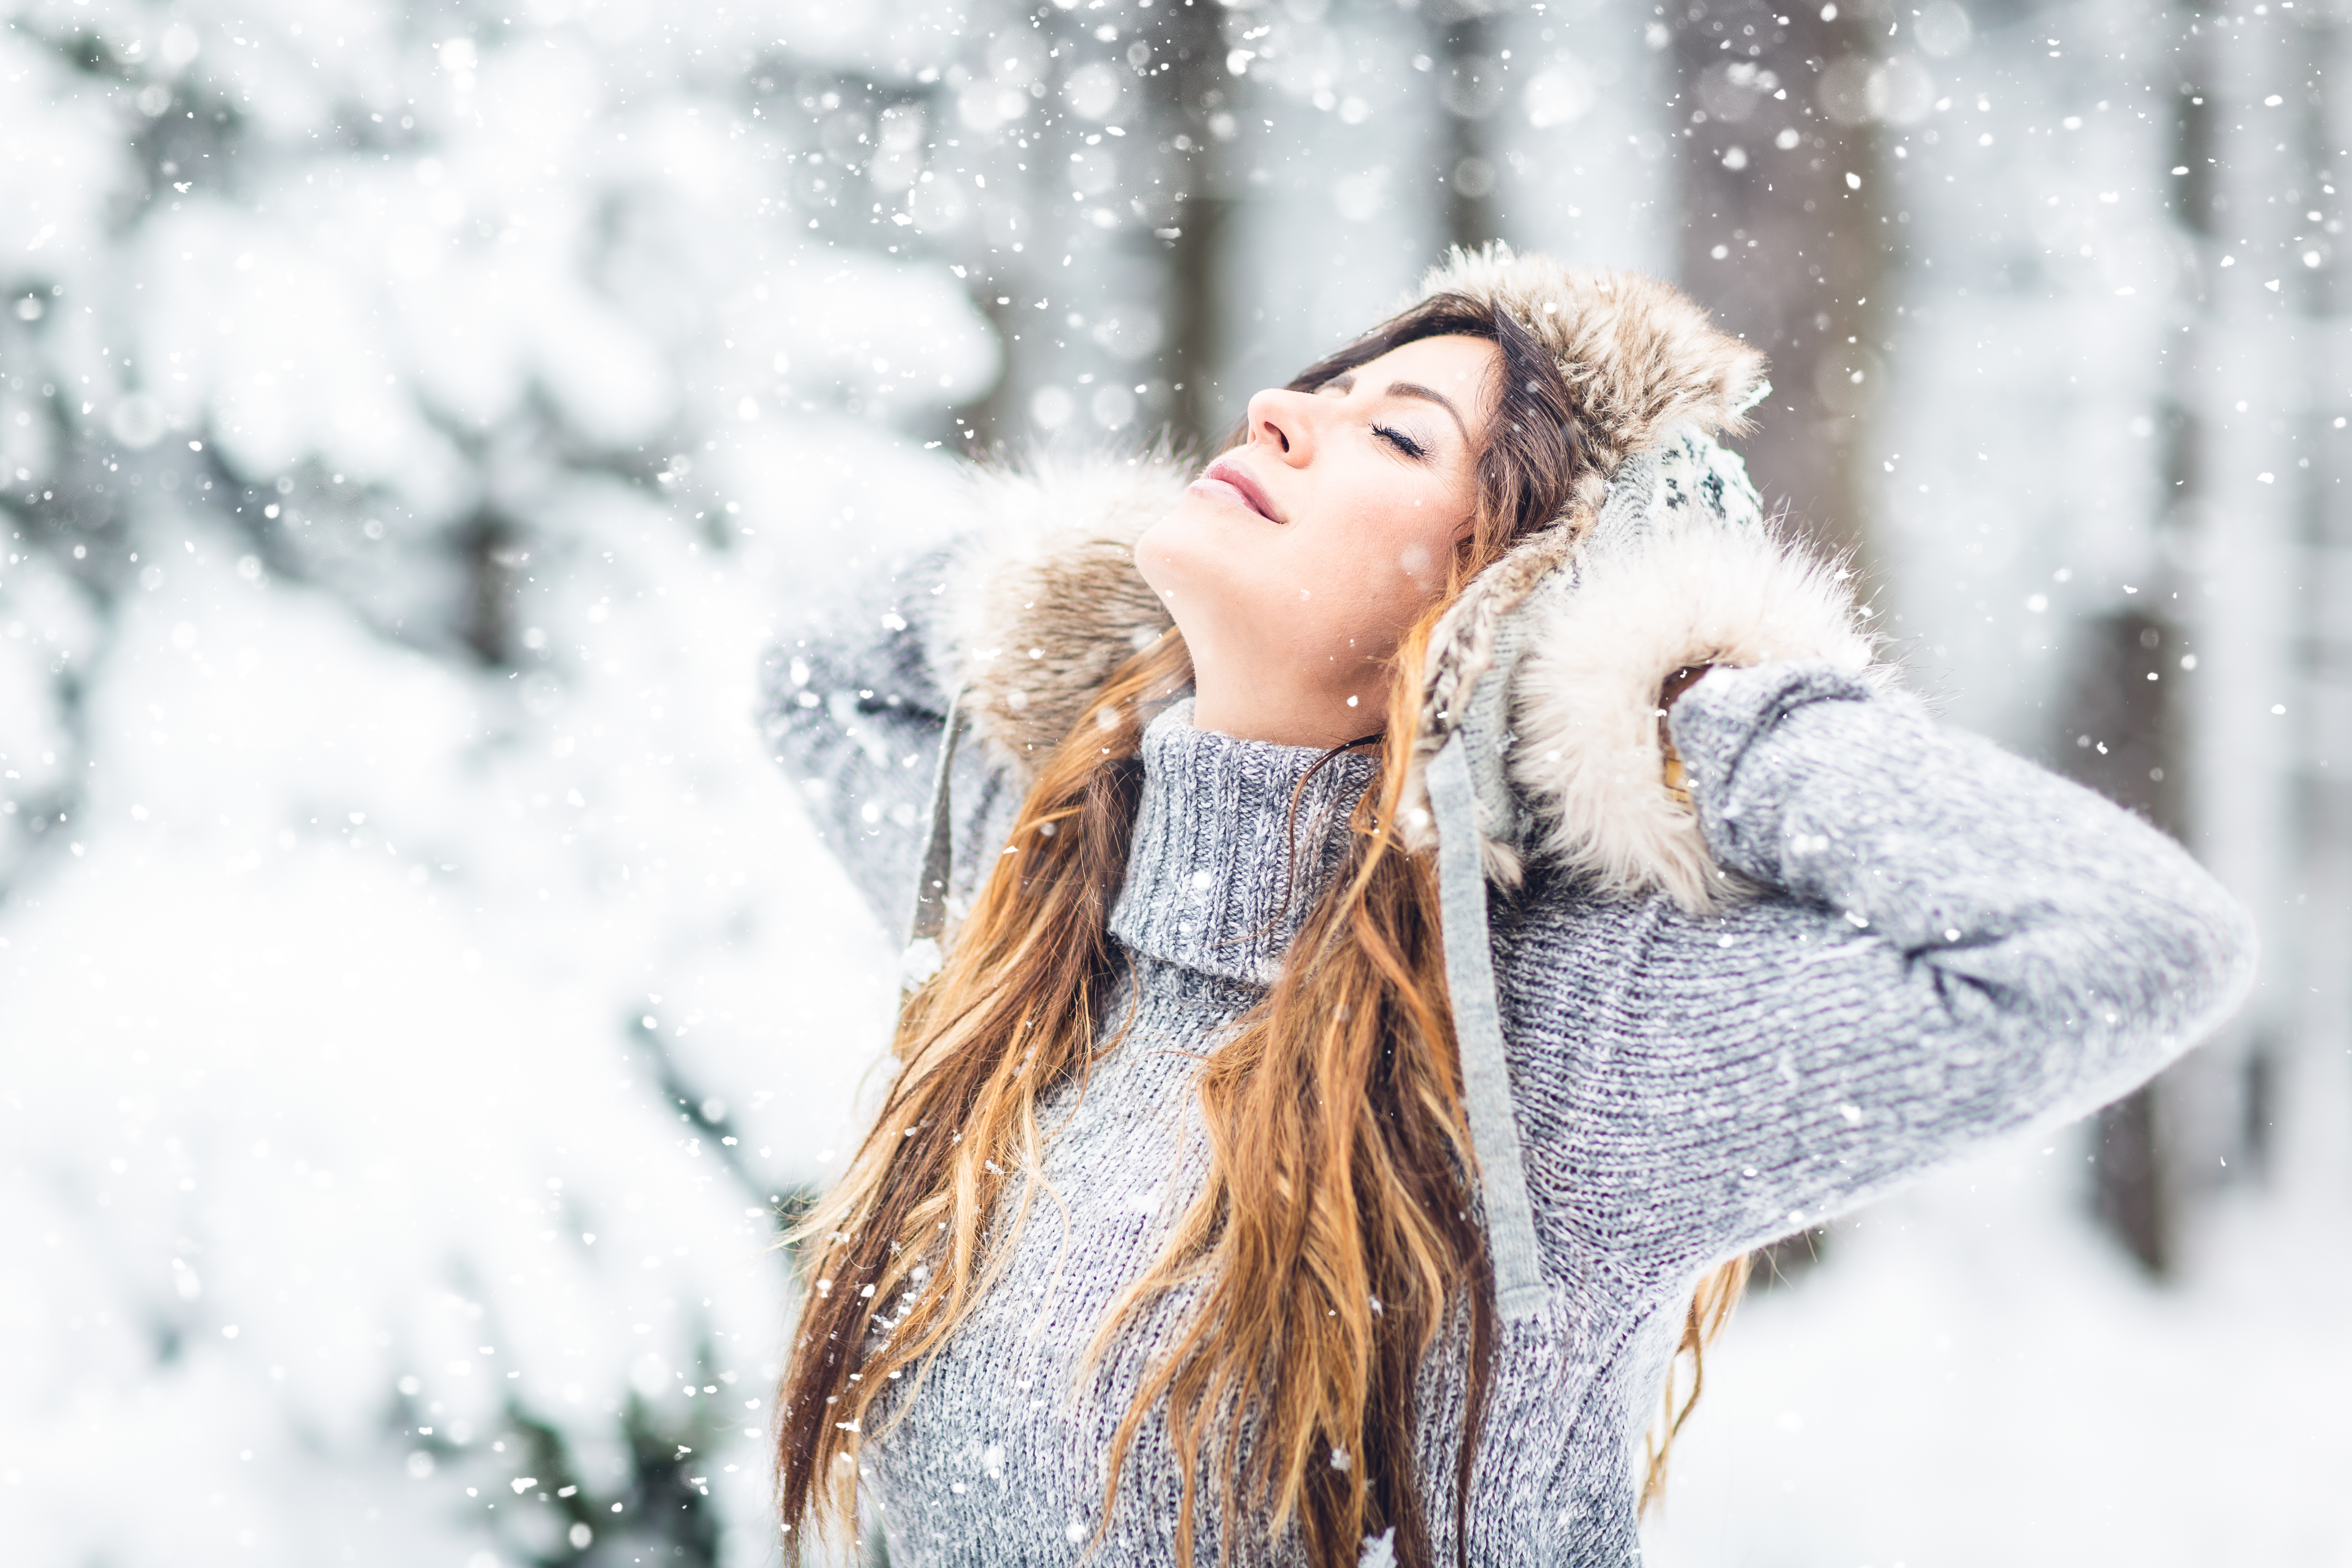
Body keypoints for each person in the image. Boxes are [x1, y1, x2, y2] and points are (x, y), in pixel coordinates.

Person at [758, 245, 2254, 1568]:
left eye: (1396, 433)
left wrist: (1686, 696)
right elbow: (816, 677)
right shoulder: (1059, 900)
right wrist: (1062, 606)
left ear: (1504, 599)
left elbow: (2124, 943)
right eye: (1321, 392)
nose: (1277, 412)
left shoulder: (1574, 1046)